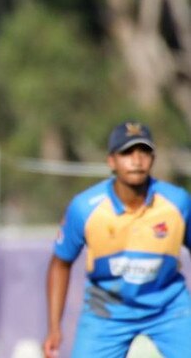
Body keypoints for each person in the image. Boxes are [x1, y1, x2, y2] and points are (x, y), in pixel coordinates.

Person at [43, 121, 191, 358]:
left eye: (144, 152)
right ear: (111, 161)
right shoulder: (85, 208)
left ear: (153, 159)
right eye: (127, 152)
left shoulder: (178, 202)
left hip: (170, 308)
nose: (136, 160)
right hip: (107, 312)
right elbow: (60, 264)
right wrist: (53, 328)